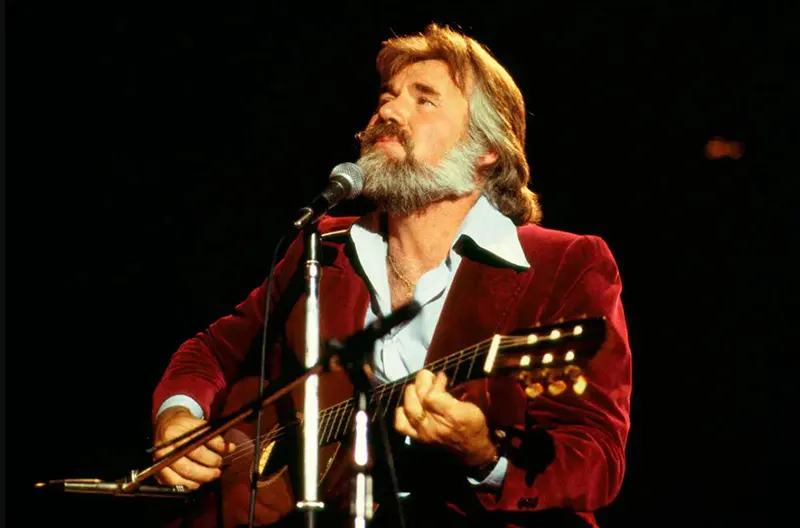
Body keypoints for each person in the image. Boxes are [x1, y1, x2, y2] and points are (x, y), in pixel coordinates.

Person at [151, 23, 632, 528]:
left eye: (424, 100)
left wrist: (484, 457)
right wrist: (178, 416)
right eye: (387, 96)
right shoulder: (323, 247)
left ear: (486, 149)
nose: (388, 111)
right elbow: (213, 351)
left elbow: (597, 458)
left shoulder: (565, 264)